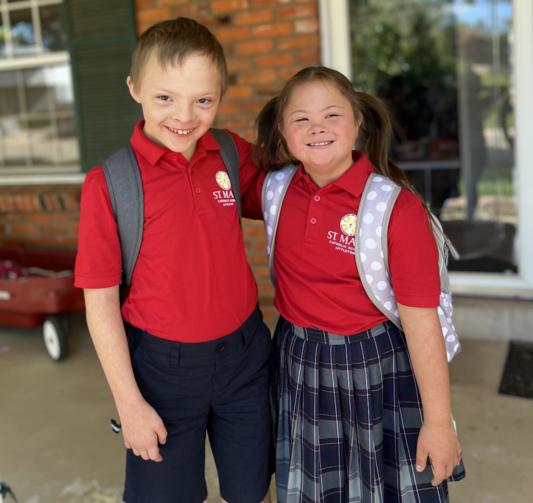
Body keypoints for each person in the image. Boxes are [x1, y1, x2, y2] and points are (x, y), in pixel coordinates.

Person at [75, 18, 273, 503]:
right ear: (134, 88)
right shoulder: (110, 185)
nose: (184, 116)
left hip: (245, 357)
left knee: (254, 488)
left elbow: (292, 195)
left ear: (220, 96)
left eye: (203, 100)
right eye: (165, 97)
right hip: (162, 371)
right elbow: (99, 305)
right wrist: (130, 404)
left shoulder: (227, 152)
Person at [248, 67, 465, 502]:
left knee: (385, 487)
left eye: (332, 114)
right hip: (299, 359)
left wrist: (440, 421)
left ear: (358, 121)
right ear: (283, 132)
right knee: (317, 486)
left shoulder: (395, 209)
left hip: (376, 364)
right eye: (301, 119)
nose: (317, 129)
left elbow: (421, 321)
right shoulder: (274, 189)